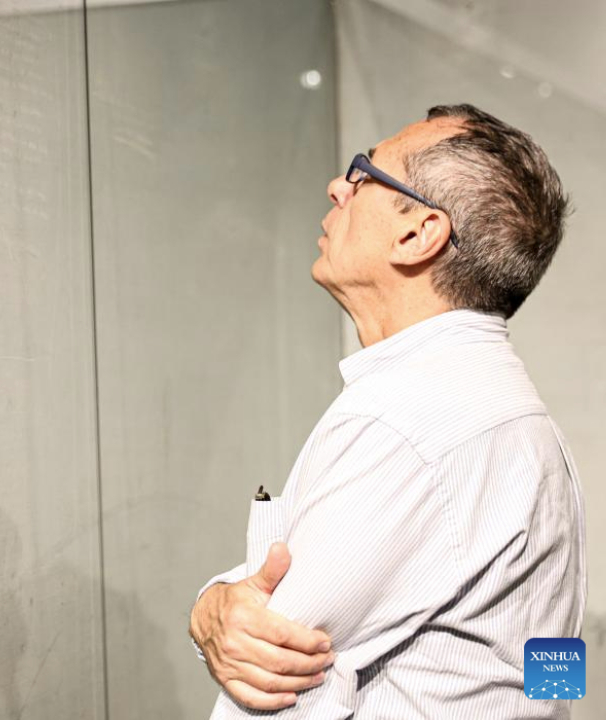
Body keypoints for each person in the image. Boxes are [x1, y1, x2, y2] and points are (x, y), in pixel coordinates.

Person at [189, 104, 586, 718]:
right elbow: (551, 675)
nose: (337, 187)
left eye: (363, 173)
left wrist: (211, 611)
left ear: (417, 234)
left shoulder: (408, 423)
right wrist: (214, 602)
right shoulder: (521, 421)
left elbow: (266, 677)